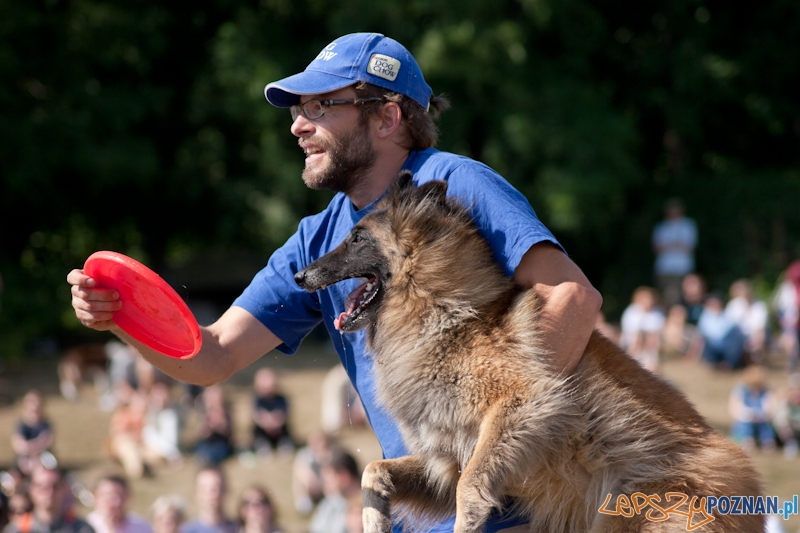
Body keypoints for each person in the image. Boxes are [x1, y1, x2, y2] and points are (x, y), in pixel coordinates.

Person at [68, 32, 603, 533]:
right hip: (428, 518)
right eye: (300, 109)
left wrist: (487, 452)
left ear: (388, 117)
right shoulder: (314, 241)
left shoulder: (455, 184)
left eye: (320, 106)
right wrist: (121, 316)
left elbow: (573, 298)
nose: (299, 124)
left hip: (537, 513)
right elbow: (213, 355)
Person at [3, 464, 94, 533]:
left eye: (55, 486)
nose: (49, 492)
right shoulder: (17, 530)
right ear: (32, 490)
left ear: (63, 489)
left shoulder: (81, 529)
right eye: (42, 487)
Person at [651, 198, 697, 309]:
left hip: (682, 268)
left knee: (682, 296)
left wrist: (668, 245)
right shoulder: (661, 227)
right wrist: (676, 244)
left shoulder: (688, 225)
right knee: (666, 296)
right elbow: (656, 248)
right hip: (664, 268)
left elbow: (689, 247)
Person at [307, 449, 361, 533]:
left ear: (344, 476)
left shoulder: (373, 505)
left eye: (327, 480)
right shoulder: (329, 504)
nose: (324, 485)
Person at [728, 364, 777, 452]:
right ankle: (747, 441)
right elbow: (734, 409)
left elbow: (770, 408)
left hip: (762, 421)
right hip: (744, 421)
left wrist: (762, 415)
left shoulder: (766, 391)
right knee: (744, 426)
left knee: (766, 428)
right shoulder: (740, 390)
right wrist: (747, 414)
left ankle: (768, 442)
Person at [619, 286, 665, 373]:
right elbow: (631, 333)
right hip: (634, 343)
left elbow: (657, 332)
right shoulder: (631, 312)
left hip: (651, 344)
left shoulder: (657, 313)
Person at [291, 432, 337, 515]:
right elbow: (300, 470)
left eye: (319, 440)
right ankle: (304, 501)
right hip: (311, 484)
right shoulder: (304, 454)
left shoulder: (332, 453)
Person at [250, 369, 293, 457]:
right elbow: (257, 415)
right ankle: (262, 446)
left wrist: (277, 421)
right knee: (257, 431)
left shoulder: (281, 399)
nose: (268, 392)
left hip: (279, 429)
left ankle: (284, 444)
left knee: (285, 430)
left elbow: (285, 414)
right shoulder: (257, 400)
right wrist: (266, 421)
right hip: (263, 431)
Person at [725, 279, 769, 363]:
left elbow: (761, 325)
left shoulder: (759, 305)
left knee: (762, 335)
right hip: (738, 335)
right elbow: (731, 325)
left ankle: (756, 360)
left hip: (755, 334)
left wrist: (756, 335)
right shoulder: (734, 305)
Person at [697, 292, 745, 370]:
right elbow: (701, 336)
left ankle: (729, 364)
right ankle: (713, 363)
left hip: (727, 348)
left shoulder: (728, 315)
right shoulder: (705, 316)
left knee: (737, 333)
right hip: (711, 348)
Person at [86, 476, 152, 533]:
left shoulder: (142, 527)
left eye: (120, 496)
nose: (116, 503)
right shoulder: (85, 527)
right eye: (109, 497)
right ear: (96, 497)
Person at [178, 468, 235, 533]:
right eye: (204, 489)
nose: (212, 494)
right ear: (195, 493)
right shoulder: (184, 530)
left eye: (217, 488)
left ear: (226, 490)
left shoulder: (240, 528)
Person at [11, 391, 54, 477]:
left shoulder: (45, 425)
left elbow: (46, 441)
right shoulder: (21, 425)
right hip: (24, 457)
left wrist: (32, 450)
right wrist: (33, 448)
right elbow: (18, 444)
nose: (34, 406)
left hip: (42, 457)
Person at [141, 382, 182, 469]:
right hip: (151, 448)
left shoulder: (170, 415)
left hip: (165, 450)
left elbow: (171, 439)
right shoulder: (148, 413)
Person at [193, 386, 234, 467]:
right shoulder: (205, 414)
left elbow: (229, 432)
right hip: (207, 442)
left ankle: (210, 459)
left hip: (221, 443)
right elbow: (201, 433)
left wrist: (220, 426)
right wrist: (208, 427)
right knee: (202, 448)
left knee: (218, 450)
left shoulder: (225, 413)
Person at [773, 373, 800, 459]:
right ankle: (790, 444)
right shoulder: (784, 403)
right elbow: (779, 420)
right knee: (781, 418)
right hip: (790, 429)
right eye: (793, 390)